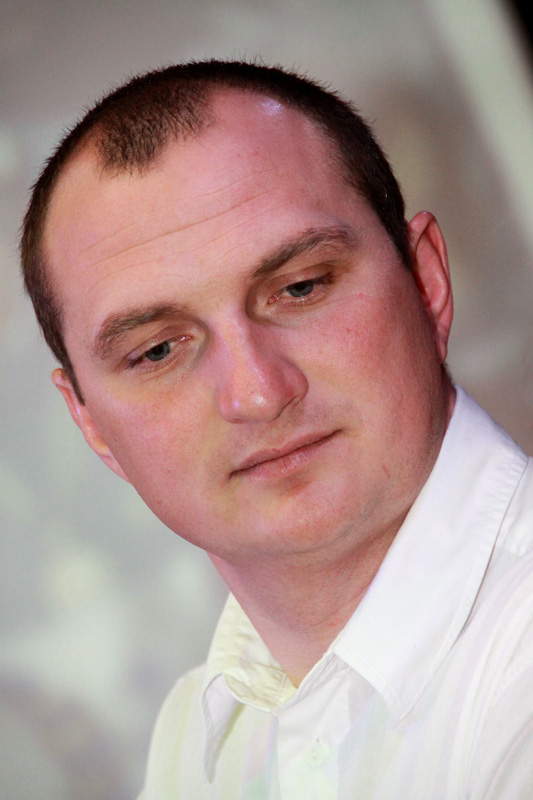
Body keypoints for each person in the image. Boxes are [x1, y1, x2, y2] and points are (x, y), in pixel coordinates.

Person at [21, 60, 533, 799]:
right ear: (91, 425)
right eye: (158, 350)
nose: (258, 393)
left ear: (426, 283)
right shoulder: (194, 734)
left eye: (300, 288)